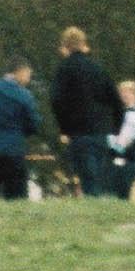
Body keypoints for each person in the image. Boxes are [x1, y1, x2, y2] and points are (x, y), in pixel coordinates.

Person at [49, 26, 119, 199]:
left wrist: (63, 128)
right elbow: (115, 100)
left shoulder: (64, 69)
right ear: (84, 44)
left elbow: (56, 100)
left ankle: (94, 209)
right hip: (101, 131)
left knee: (87, 177)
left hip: (78, 132)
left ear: (65, 46)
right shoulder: (98, 68)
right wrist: (115, 128)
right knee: (100, 176)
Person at [0, 61, 45, 203]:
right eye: (28, 75)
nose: (28, 80)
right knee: (17, 199)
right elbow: (33, 125)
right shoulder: (25, 95)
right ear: (20, 72)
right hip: (14, 152)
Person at [107, 78, 135, 202]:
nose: (124, 95)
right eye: (121, 92)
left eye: (127, 92)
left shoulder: (133, 116)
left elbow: (123, 142)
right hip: (121, 159)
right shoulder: (123, 114)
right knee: (115, 193)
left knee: (120, 193)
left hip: (127, 160)